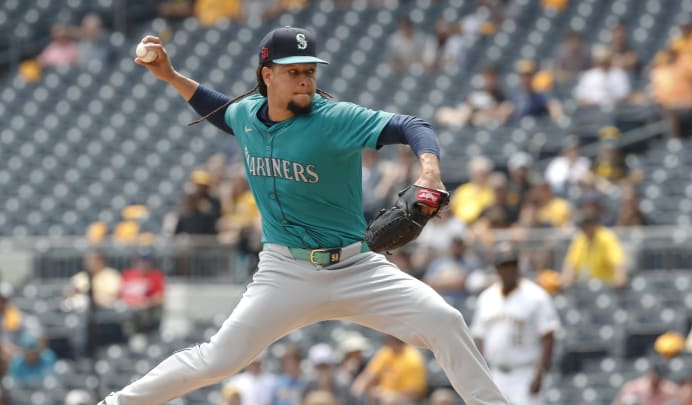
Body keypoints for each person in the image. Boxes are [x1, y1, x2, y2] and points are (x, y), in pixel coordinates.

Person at [97, 26, 507, 405]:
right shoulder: (247, 116)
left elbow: (412, 126)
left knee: (445, 320)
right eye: (293, 72)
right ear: (267, 75)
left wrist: (430, 171)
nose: (305, 80)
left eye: (309, 71)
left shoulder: (334, 119)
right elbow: (222, 111)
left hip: (356, 266)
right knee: (216, 361)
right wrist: (170, 75)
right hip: (284, 272)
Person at [471, 243, 560, 405]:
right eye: (504, 265)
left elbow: (548, 336)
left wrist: (540, 374)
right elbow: (480, 338)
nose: (508, 270)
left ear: (519, 266)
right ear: (497, 268)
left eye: (512, 265)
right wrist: (482, 375)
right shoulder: (486, 298)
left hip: (525, 373)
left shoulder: (536, 296)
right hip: (495, 373)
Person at [351, 335, 427, 404]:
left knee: (388, 400)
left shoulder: (413, 359)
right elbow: (369, 374)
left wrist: (389, 395)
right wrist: (358, 389)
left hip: (403, 400)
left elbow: (415, 393)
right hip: (382, 397)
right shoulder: (387, 352)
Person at [561, 209, 627, 289]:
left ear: (594, 224)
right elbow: (571, 265)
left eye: (586, 225)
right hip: (587, 287)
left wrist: (619, 282)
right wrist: (565, 282)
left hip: (606, 287)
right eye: (582, 226)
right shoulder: (580, 239)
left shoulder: (606, 238)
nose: (584, 229)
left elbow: (618, 264)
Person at [120, 248, 165, 333]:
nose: (143, 263)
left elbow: (159, 298)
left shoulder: (155, 276)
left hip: (145, 313)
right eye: (140, 260)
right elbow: (120, 293)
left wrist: (145, 303)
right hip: (126, 309)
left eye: (146, 260)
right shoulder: (127, 274)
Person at [612, 360, 680, 405]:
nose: (658, 379)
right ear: (651, 373)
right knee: (630, 400)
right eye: (657, 375)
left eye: (661, 376)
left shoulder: (670, 390)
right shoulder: (634, 388)